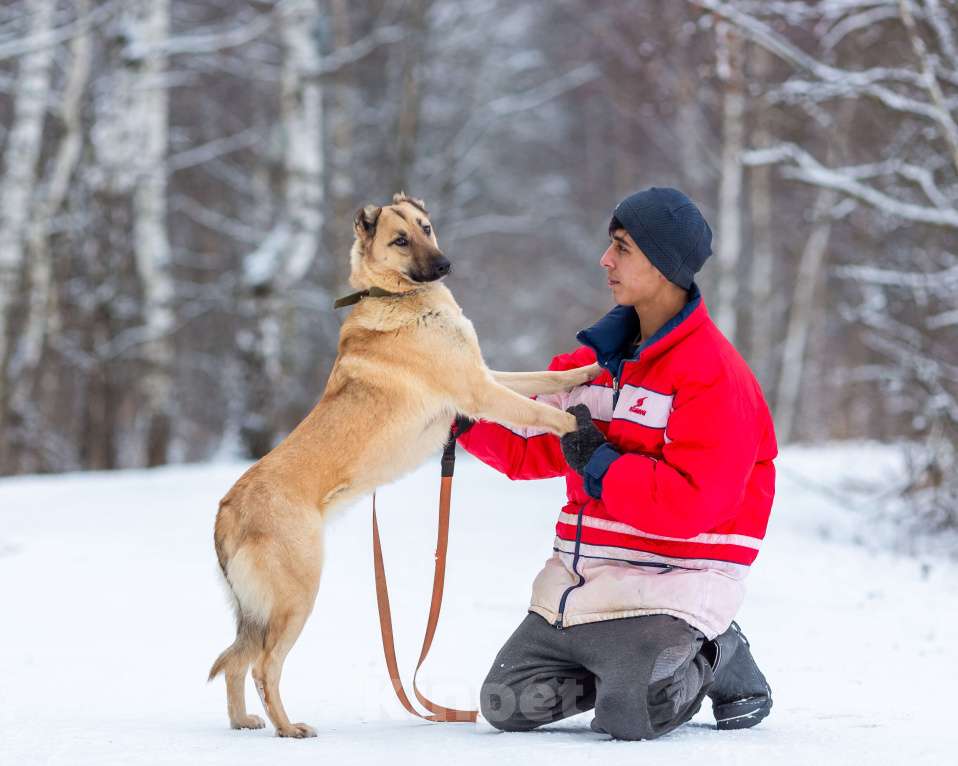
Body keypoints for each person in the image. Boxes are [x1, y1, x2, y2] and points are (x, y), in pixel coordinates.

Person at [455, 187, 776, 740]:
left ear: (664, 263)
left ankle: (717, 649)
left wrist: (600, 465)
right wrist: (458, 414)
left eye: (622, 248)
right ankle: (618, 671)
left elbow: (694, 504)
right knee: (505, 703)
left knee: (638, 713)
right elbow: (530, 444)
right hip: (580, 587)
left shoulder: (715, 377)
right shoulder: (592, 364)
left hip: (672, 586)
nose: (606, 260)